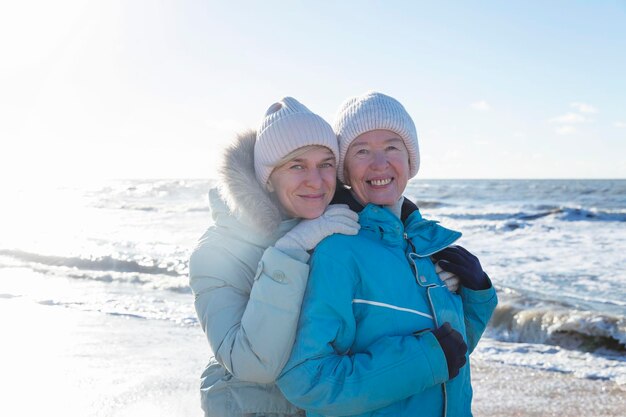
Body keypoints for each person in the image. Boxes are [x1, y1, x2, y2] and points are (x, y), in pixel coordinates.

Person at [277, 91, 498, 417]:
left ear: (411, 160)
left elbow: (453, 353)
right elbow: (307, 382)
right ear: (345, 170)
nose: (379, 164)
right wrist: (426, 360)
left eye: (392, 147)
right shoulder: (338, 251)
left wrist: (477, 295)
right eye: (362, 151)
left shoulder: (428, 247)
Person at [189, 97, 361, 417]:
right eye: (297, 165)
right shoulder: (216, 254)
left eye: (325, 163)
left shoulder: (336, 227)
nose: (316, 180)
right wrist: (288, 252)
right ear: (267, 177)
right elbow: (253, 364)